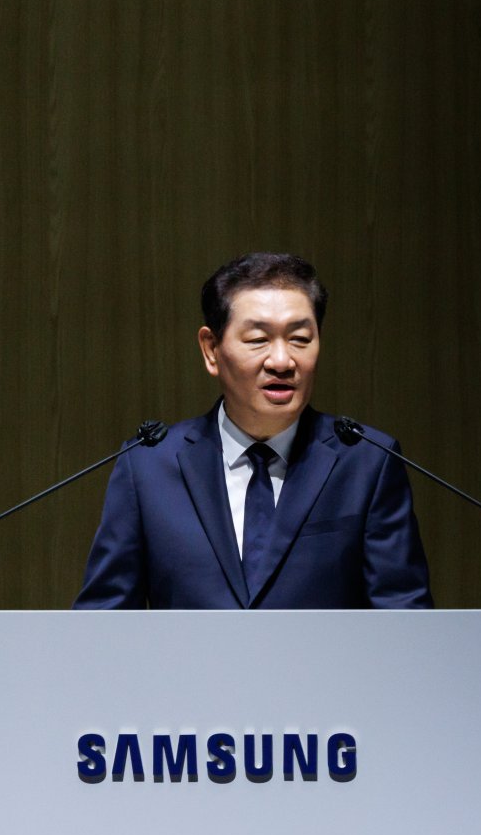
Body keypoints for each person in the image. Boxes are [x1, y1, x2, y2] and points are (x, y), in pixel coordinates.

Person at [74, 253, 432, 609]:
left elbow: (405, 619)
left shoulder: (367, 463)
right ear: (211, 350)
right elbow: (103, 622)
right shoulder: (148, 468)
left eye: (300, 339)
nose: (282, 361)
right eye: (258, 339)